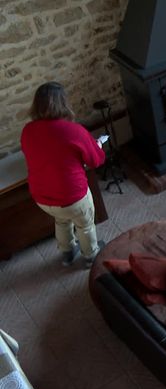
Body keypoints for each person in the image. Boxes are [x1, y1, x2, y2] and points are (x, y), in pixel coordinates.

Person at [21, 81, 106, 268]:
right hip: (72, 196)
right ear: (63, 103)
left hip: (43, 198)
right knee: (84, 225)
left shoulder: (27, 131)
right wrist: (97, 146)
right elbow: (96, 160)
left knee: (61, 220)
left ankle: (67, 254)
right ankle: (90, 256)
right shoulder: (74, 131)